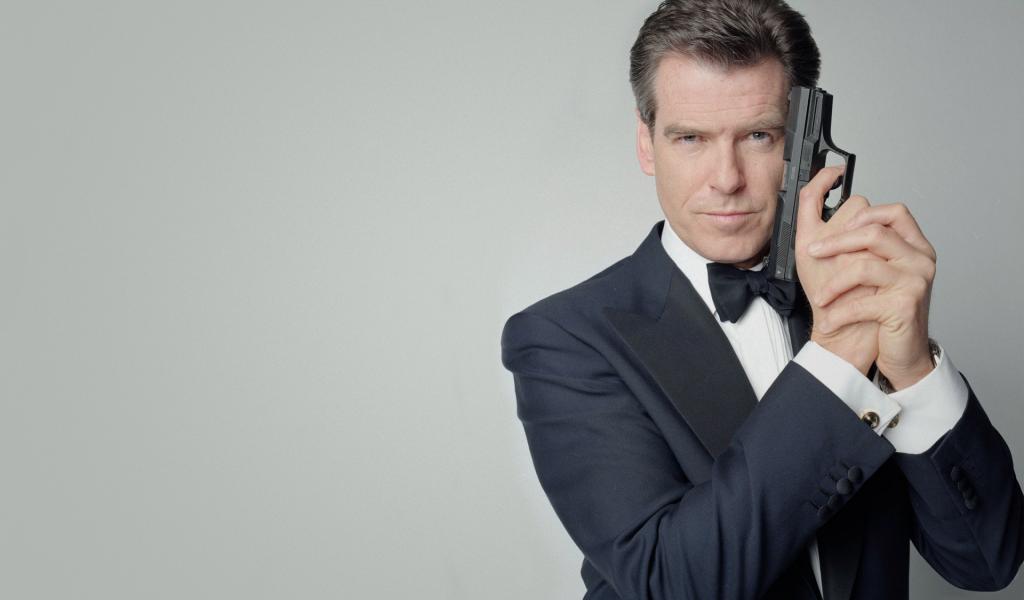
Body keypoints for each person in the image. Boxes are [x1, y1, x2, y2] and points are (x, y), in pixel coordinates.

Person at [499, 1, 1024, 599]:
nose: (727, 178)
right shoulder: (562, 339)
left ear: (804, 145)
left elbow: (988, 563)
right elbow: (672, 583)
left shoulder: (863, 297)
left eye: (758, 136)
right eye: (691, 138)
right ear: (647, 144)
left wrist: (914, 372)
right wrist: (835, 358)